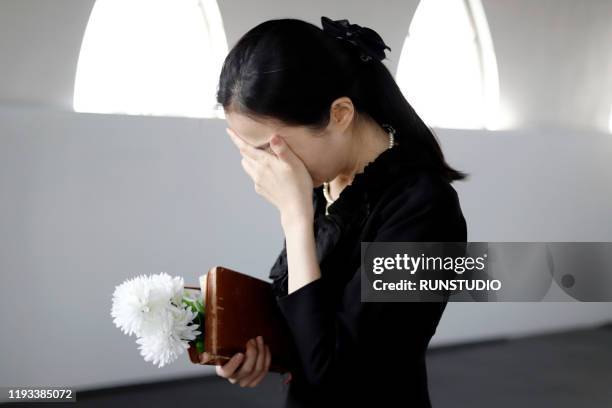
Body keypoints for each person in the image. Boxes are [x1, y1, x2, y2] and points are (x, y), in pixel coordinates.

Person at [198, 16, 469, 407]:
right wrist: (250, 345)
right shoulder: (321, 183)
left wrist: (294, 217)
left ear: (340, 114)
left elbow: (339, 373)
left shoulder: (426, 209)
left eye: (268, 148)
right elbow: (307, 327)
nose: (267, 166)